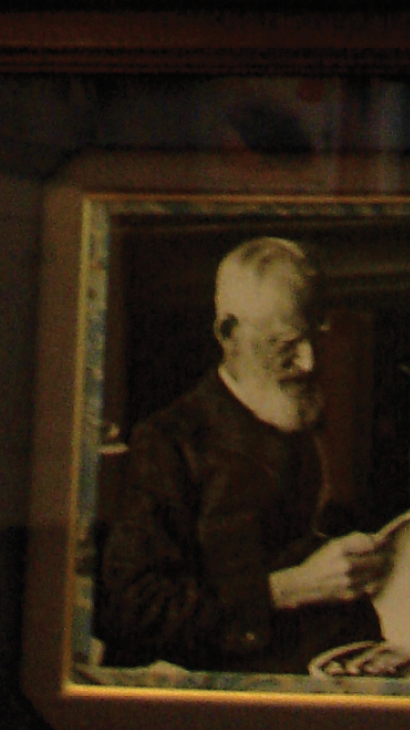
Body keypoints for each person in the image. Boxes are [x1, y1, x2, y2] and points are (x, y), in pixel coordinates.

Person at [92, 235, 392, 672]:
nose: (309, 362)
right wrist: (288, 588)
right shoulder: (167, 441)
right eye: (286, 345)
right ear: (228, 334)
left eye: (315, 334)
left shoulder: (303, 411)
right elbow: (130, 608)